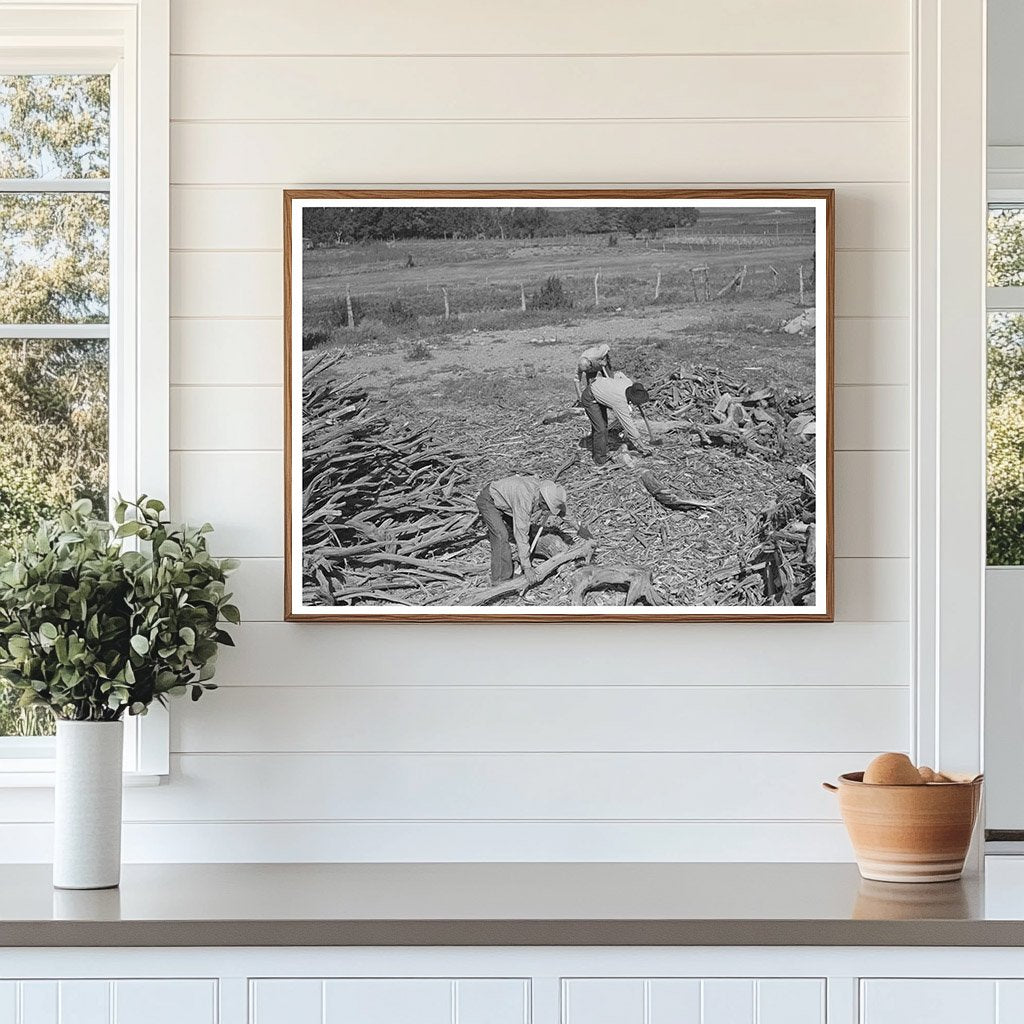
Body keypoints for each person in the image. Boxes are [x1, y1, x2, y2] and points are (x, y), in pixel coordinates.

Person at [475, 475, 588, 584]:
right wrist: (527, 567)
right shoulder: (525, 498)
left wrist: (578, 527)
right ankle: (500, 580)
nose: (547, 511)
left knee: (528, 532)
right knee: (501, 535)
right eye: (547, 508)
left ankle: (521, 561)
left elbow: (563, 510)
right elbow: (521, 532)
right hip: (490, 500)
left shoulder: (547, 492)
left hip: (508, 501)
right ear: (543, 501)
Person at [581, 371, 651, 465]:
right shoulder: (620, 403)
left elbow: (618, 374)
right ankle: (599, 460)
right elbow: (629, 426)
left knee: (603, 426)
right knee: (601, 429)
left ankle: (601, 448)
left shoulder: (628, 383)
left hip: (598, 388)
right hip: (590, 398)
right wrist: (642, 445)